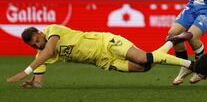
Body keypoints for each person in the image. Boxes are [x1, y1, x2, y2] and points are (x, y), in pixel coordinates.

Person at [6, 24, 194, 88]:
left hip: (106, 43)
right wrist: (34, 82)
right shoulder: (42, 53)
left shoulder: (52, 31)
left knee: (144, 58)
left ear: (40, 33)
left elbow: (47, 52)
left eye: (38, 40)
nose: (39, 44)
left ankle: (190, 64)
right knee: (145, 67)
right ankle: (172, 41)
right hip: (102, 61)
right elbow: (39, 79)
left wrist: (25, 71)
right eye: (34, 45)